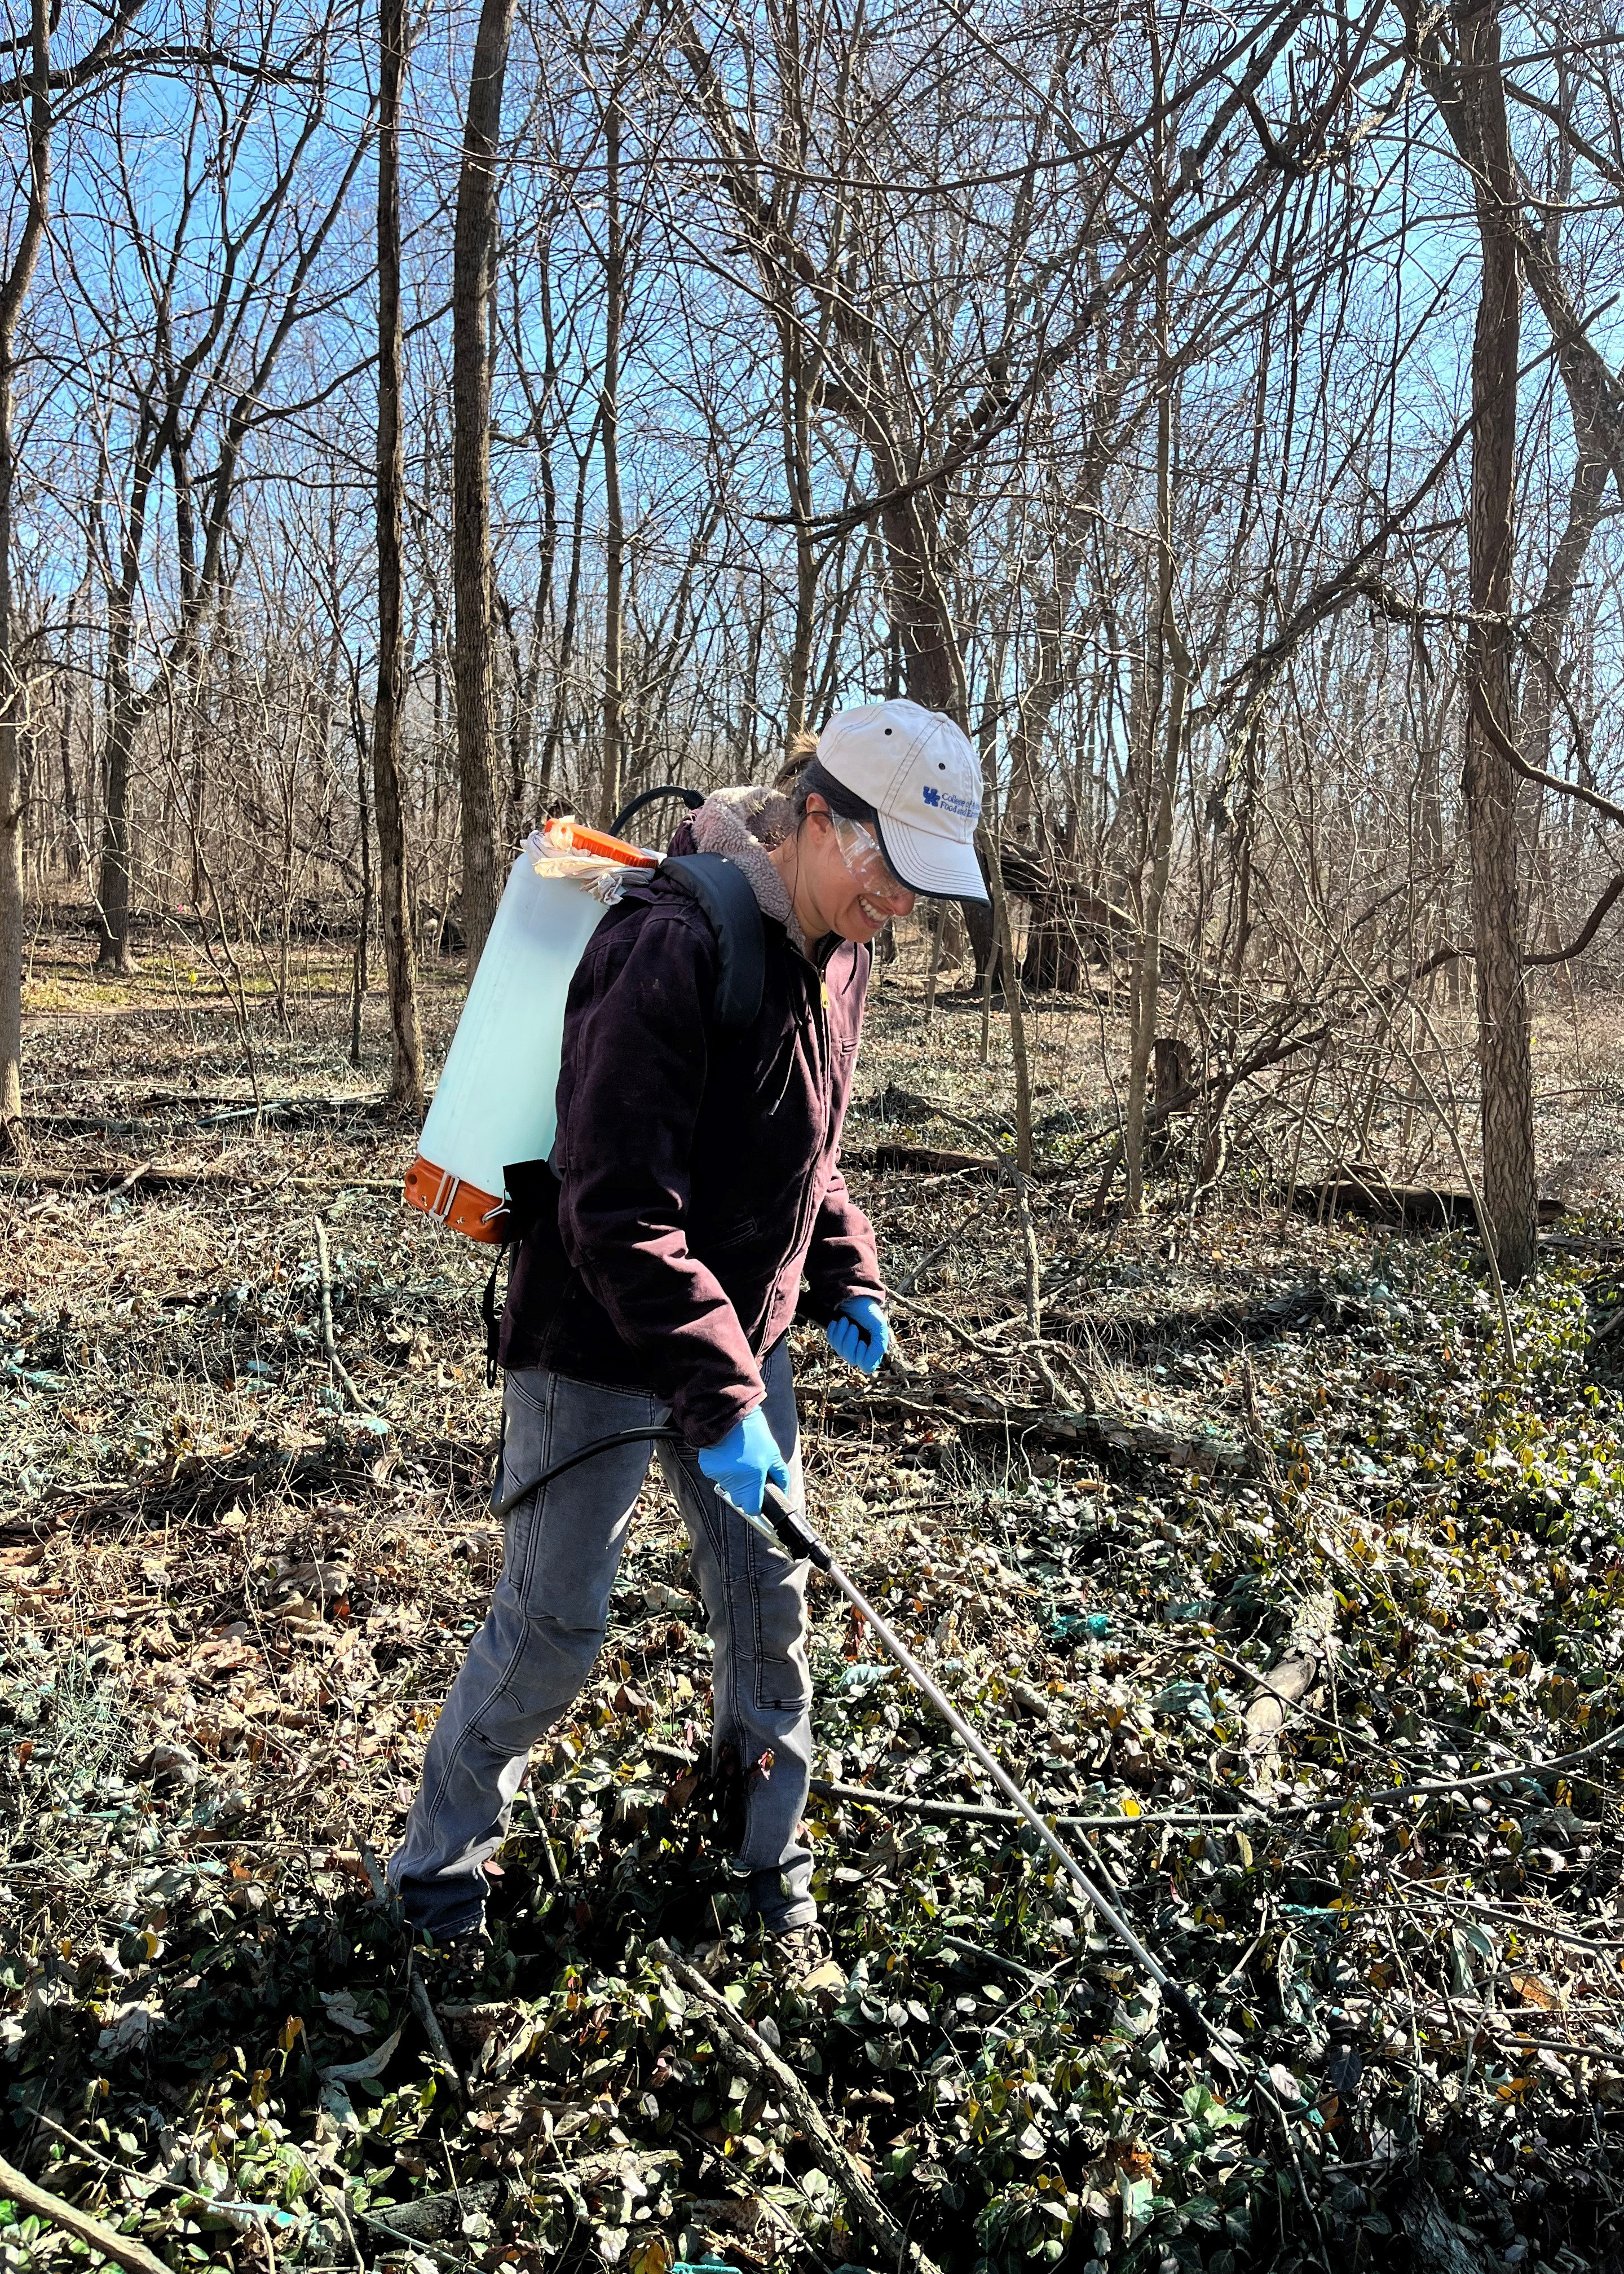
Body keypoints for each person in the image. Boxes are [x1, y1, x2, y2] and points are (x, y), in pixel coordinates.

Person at [388, 698, 988, 1975]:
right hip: (597, 1343)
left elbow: (803, 1145)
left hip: (743, 1346)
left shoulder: (845, 953)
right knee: (553, 1626)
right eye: (889, 870)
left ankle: (769, 1859)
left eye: (925, 889)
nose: (901, 906)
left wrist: (843, 1274)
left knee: (771, 1609)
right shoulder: (667, 941)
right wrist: (717, 1400)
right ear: (818, 818)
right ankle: (434, 1870)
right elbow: (616, 1203)